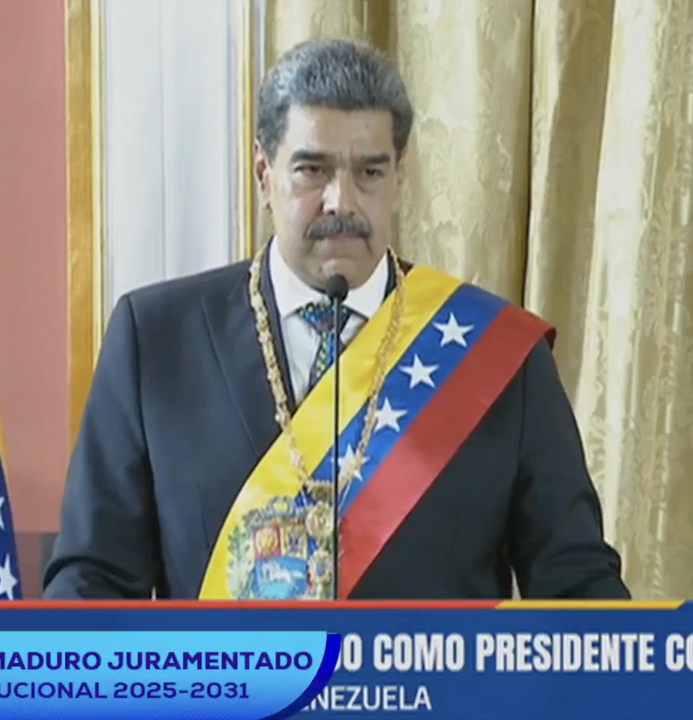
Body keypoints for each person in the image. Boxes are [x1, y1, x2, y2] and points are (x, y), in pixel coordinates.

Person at [42, 37, 629, 600]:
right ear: (264, 174)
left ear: (399, 182)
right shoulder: (155, 341)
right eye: (312, 170)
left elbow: (578, 587)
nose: (341, 201)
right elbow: (91, 583)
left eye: (369, 172)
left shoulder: (499, 357)